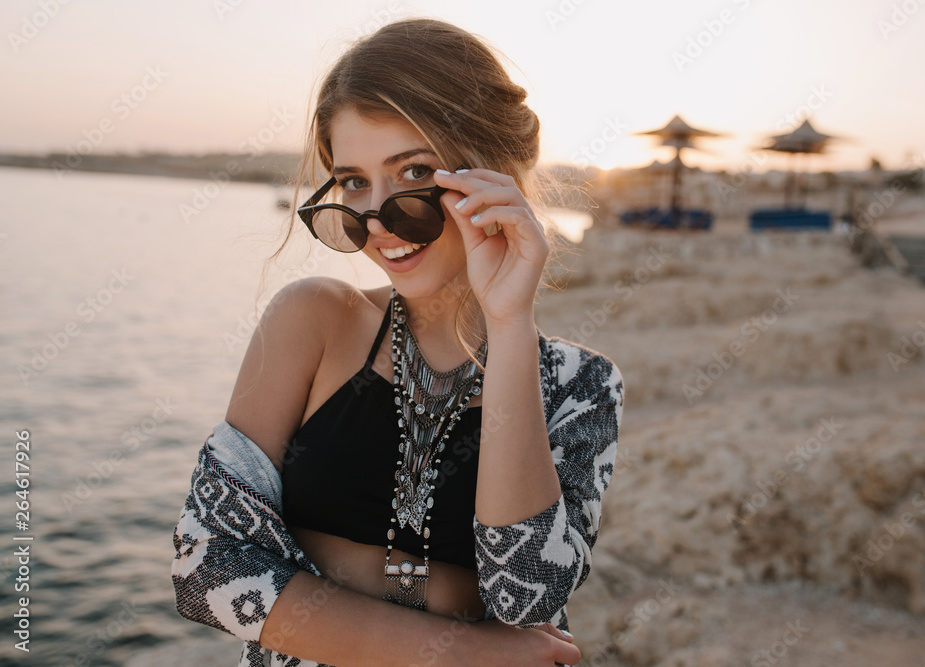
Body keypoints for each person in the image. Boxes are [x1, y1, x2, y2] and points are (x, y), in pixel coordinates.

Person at [171, 18, 624, 667]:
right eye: (353, 182)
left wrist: (509, 325)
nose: (378, 219)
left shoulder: (584, 385)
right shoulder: (314, 321)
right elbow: (206, 567)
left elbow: (526, 595)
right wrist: (463, 638)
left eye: (412, 170)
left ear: (495, 167)